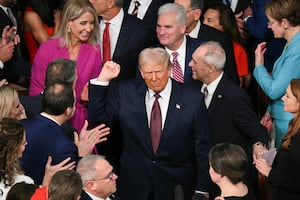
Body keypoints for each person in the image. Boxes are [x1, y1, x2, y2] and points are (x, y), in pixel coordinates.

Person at [88, 47, 211, 200]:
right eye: (148, 73)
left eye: (158, 72)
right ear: (140, 72)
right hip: (134, 186)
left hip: (177, 187)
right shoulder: (125, 92)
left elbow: (203, 147)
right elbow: (99, 121)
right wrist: (102, 81)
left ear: (170, 68)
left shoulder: (192, 99)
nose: (154, 78)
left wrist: (202, 188)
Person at [188, 41, 268, 198]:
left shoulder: (234, 96)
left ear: (210, 68)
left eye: (195, 62)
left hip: (228, 178)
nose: (190, 64)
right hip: (205, 173)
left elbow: (256, 130)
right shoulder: (194, 87)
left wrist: (259, 145)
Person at [29, 0, 101, 132]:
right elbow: (35, 89)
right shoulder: (47, 48)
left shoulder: (94, 51)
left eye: (92, 23)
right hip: (49, 119)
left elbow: (93, 93)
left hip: (80, 121)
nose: (89, 28)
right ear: (69, 23)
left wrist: (87, 96)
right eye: (83, 23)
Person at [20, 83, 110, 185]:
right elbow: (69, 185)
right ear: (68, 111)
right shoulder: (65, 146)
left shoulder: (21, 125)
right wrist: (81, 156)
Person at [254, 0, 300, 148]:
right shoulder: (292, 43)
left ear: (285, 23)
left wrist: (259, 66)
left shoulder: (297, 48)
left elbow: (274, 90)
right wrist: (270, 111)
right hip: (283, 116)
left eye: (271, 21)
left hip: (289, 121)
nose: (268, 26)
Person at [0, 118, 75, 199]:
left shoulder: (11, 167)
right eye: (23, 142)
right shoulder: (20, 185)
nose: (26, 143)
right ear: (12, 149)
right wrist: (46, 182)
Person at [173, 0, 239, 85]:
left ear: (196, 14)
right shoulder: (165, 36)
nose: (174, 16)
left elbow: (230, 79)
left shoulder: (218, 39)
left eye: (180, 12)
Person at [255, 78, 300, 199]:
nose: (282, 98)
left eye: (287, 96)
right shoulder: (294, 126)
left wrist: (269, 172)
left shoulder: (298, 136)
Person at [89, 0, 154, 80]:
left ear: (110, 3)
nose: (90, 1)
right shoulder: (88, 24)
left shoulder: (140, 30)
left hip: (123, 90)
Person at [203, 3, 251, 88]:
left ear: (223, 25)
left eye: (209, 20)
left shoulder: (237, 49)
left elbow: (240, 82)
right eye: (204, 19)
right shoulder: (201, 45)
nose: (204, 23)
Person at [156, 3, 201, 84]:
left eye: (168, 27)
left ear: (182, 28)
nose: (161, 32)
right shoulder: (150, 55)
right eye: (159, 26)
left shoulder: (201, 50)